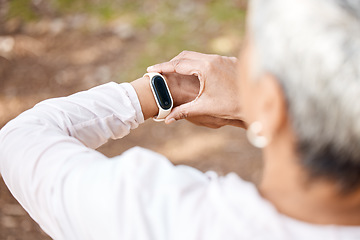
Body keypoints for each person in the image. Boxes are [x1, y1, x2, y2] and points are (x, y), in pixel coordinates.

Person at [1, 0, 360, 239]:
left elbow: (20, 139)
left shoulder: (154, 214)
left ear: (271, 101)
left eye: (247, 47)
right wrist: (267, 112)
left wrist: (152, 93)